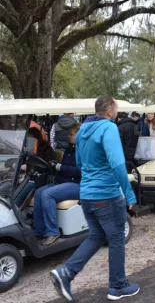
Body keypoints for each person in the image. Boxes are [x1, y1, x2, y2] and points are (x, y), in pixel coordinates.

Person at [50, 96, 138, 302]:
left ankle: (66, 273)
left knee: (96, 237)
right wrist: (130, 194)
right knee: (116, 238)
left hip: (87, 194)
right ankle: (117, 286)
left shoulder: (82, 133)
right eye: (116, 109)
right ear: (109, 111)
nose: (116, 112)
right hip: (106, 194)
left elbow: (80, 164)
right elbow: (117, 164)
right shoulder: (108, 128)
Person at [33, 123, 82, 246]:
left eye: (71, 134)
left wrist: (60, 167)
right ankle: (38, 230)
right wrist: (54, 166)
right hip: (64, 182)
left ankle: (52, 232)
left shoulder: (82, 150)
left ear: (79, 135)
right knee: (39, 192)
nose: (68, 136)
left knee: (47, 194)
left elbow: (80, 171)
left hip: (77, 184)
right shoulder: (70, 148)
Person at [14, 127, 56, 207]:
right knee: (5, 187)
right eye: (28, 138)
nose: (29, 140)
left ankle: (12, 210)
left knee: (21, 192)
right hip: (23, 177)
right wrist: (14, 163)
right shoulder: (27, 149)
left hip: (38, 179)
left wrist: (29, 166)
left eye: (31, 138)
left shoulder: (46, 149)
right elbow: (17, 158)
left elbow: (49, 165)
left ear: (37, 138)